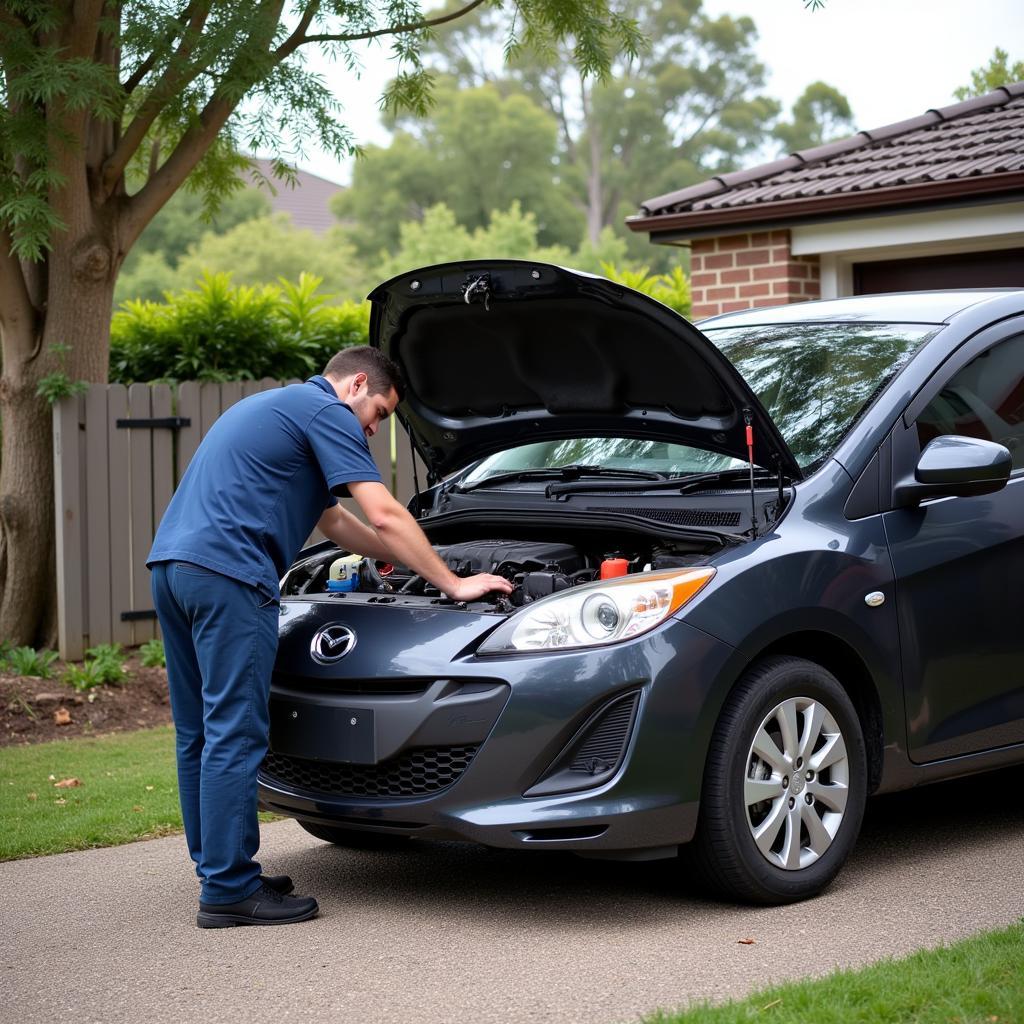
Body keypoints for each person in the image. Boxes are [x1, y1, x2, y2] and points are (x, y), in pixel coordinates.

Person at [148, 346, 512, 928]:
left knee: (200, 732)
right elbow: (386, 513)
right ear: (356, 384)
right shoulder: (328, 413)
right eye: (380, 414)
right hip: (231, 578)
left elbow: (340, 525)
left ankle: (221, 868)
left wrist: (406, 563)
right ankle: (228, 890)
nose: (373, 429)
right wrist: (452, 583)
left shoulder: (275, 409)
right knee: (235, 733)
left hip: (174, 570)